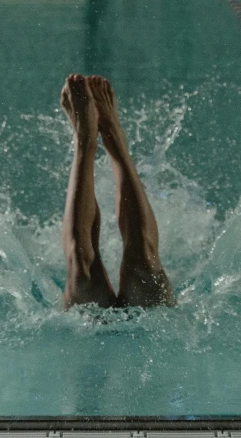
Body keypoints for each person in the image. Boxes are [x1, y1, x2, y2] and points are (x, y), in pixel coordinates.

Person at [60, 74, 176, 310]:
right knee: (142, 261)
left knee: (84, 272)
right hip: (151, 329)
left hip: (90, 328)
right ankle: (95, 140)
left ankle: (90, 141)